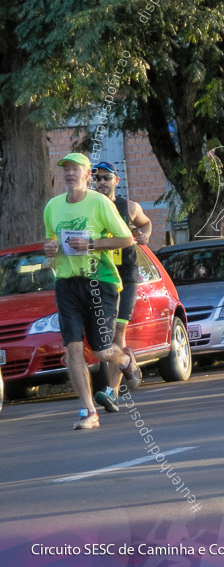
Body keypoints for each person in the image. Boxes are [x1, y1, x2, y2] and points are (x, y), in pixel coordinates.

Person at [43, 152, 140, 429]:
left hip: (100, 281)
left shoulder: (100, 203)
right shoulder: (52, 206)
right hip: (66, 282)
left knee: (99, 351)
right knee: (72, 348)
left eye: (76, 169)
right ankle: (89, 411)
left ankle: (123, 358)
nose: (70, 174)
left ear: (87, 175)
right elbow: (50, 244)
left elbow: (126, 238)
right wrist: (48, 249)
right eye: (66, 170)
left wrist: (93, 245)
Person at [89, 160, 152, 411]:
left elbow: (145, 223)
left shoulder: (129, 207)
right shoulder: (90, 207)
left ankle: (112, 392)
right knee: (103, 337)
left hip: (126, 276)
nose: (101, 182)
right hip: (102, 276)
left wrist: (145, 234)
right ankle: (128, 362)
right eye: (97, 178)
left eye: (106, 178)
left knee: (117, 332)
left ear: (117, 180)